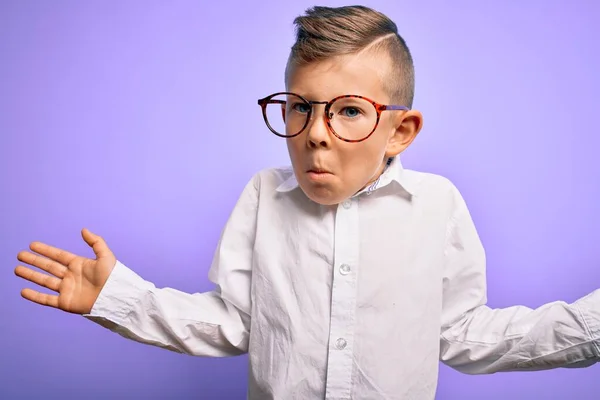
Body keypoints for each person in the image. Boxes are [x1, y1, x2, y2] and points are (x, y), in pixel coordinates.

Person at [13, 5, 600, 400]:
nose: (315, 132)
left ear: (401, 131)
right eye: (300, 107)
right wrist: (119, 298)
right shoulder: (263, 196)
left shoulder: (438, 205)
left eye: (347, 110)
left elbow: (464, 334)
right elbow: (231, 324)